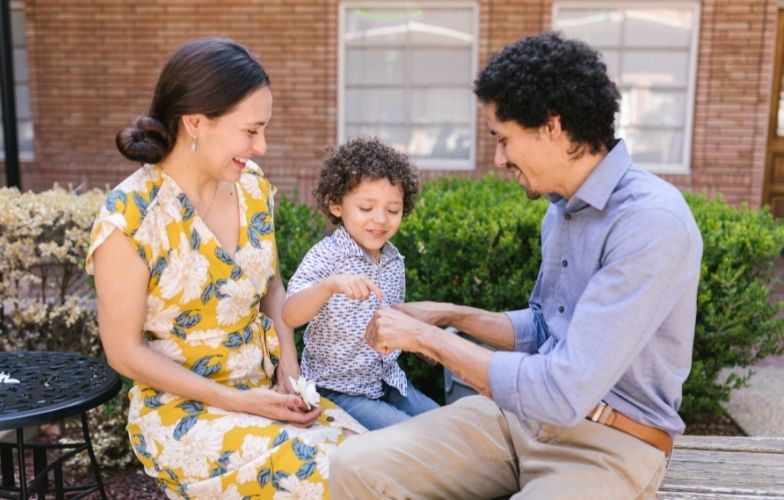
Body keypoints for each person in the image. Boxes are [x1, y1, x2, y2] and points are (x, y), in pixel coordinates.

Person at [331, 31, 703, 499]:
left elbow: (564, 389)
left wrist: (432, 340)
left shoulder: (650, 223)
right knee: (355, 465)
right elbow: (550, 327)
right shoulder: (561, 209)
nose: (499, 157)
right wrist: (448, 315)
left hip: (609, 443)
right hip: (516, 420)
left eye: (503, 139)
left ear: (552, 127)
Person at [87, 37, 363, 499]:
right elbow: (124, 352)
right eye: (251, 130)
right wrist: (241, 402)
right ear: (196, 122)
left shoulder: (253, 188)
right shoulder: (129, 218)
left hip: (265, 392)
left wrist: (291, 375)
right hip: (182, 416)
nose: (262, 146)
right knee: (329, 475)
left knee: (373, 459)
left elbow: (272, 287)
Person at [281, 138, 439, 430]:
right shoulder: (327, 256)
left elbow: (392, 325)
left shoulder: (394, 261)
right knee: (413, 437)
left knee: (451, 424)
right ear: (336, 204)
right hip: (339, 391)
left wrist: (419, 344)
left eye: (393, 210)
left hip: (388, 382)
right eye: (366, 207)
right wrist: (329, 286)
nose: (380, 219)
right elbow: (289, 314)